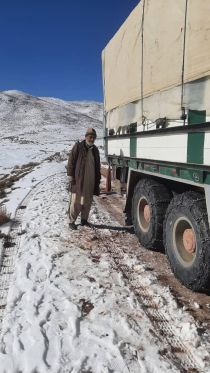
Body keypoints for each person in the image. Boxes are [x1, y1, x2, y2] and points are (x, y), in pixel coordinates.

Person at [67, 128, 101, 230]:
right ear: (86, 136)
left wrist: (97, 180)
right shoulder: (78, 146)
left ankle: (84, 220)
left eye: (94, 137)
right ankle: (71, 221)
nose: (92, 139)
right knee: (77, 201)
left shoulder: (95, 150)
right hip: (79, 179)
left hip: (91, 180)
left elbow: (98, 166)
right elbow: (71, 161)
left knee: (87, 201)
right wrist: (70, 174)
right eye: (90, 136)